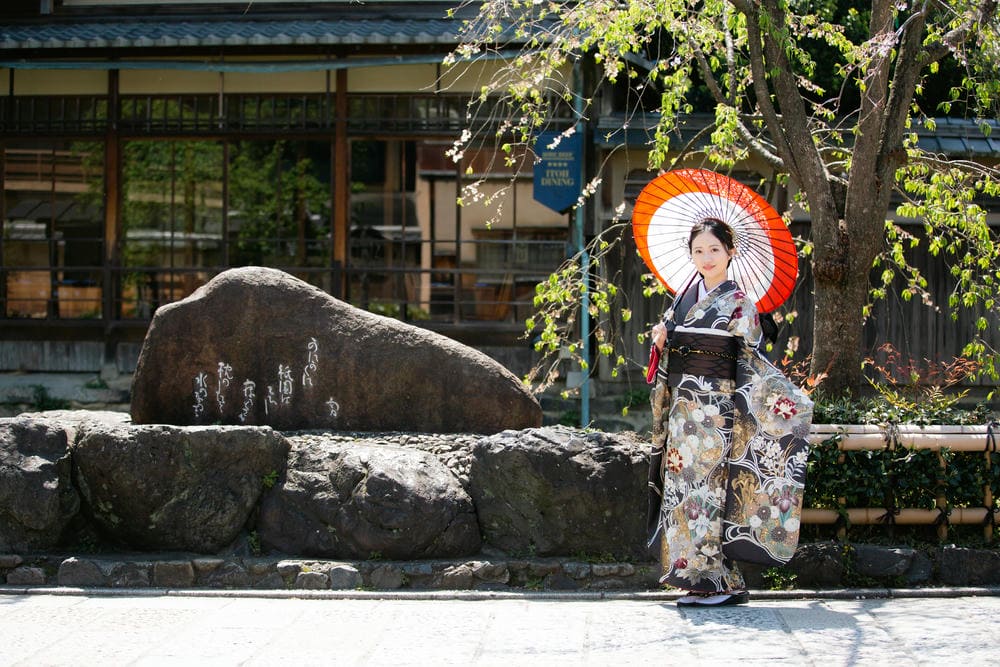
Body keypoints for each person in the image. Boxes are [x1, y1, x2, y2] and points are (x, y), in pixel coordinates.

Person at [646, 217, 812, 607]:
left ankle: (720, 581)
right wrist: (663, 340)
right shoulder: (681, 300)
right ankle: (695, 579)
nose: (706, 258)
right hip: (684, 410)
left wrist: (788, 403)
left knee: (712, 494)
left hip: (717, 412)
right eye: (698, 251)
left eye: (714, 250)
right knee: (684, 492)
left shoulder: (739, 303)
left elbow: (752, 361)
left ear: (730, 252)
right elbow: (668, 356)